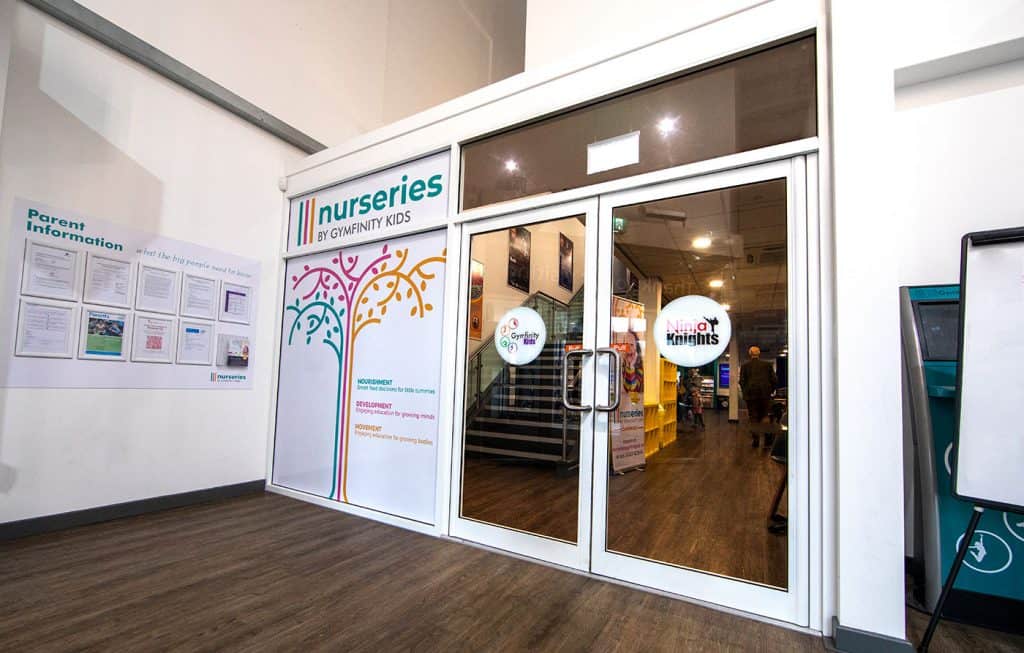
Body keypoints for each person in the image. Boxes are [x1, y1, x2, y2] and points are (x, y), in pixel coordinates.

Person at [739, 345, 777, 448]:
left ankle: (756, 440)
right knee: (765, 416)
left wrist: (745, 393)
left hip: (751, 396)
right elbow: (774, 380)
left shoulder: (745, 366)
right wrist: (770, 391)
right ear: (759, 353)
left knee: (753, 418)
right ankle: (767, 441)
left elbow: (742, 382)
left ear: (750, 354)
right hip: (765, 395)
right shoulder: (767, 365)